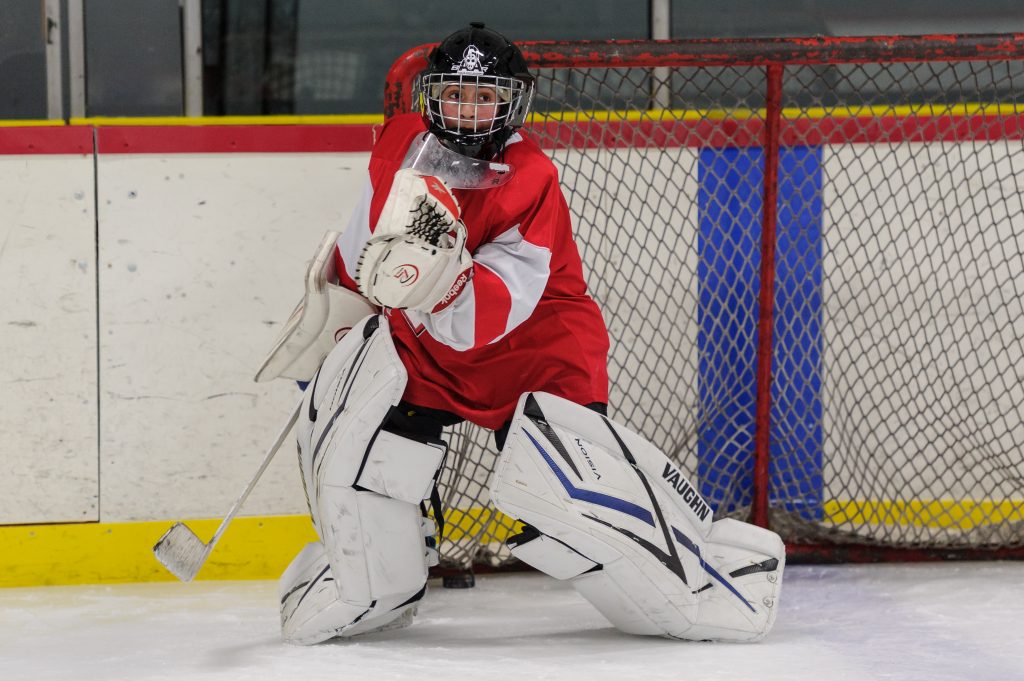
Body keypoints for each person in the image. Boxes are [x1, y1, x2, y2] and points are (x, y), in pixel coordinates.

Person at [267, 22, 785, 646]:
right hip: (426, 351)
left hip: (535, 355)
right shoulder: (400, 140)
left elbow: (494, 311)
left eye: (483, 97)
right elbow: (365, 236)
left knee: (572, 504)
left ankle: (708, 580)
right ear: (430, 95)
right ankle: (376, 585)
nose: (467, 110)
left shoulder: (529, 176)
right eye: (455, 94)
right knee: (356, 451)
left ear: (511, 102)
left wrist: (438, 282)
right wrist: (348, 298)